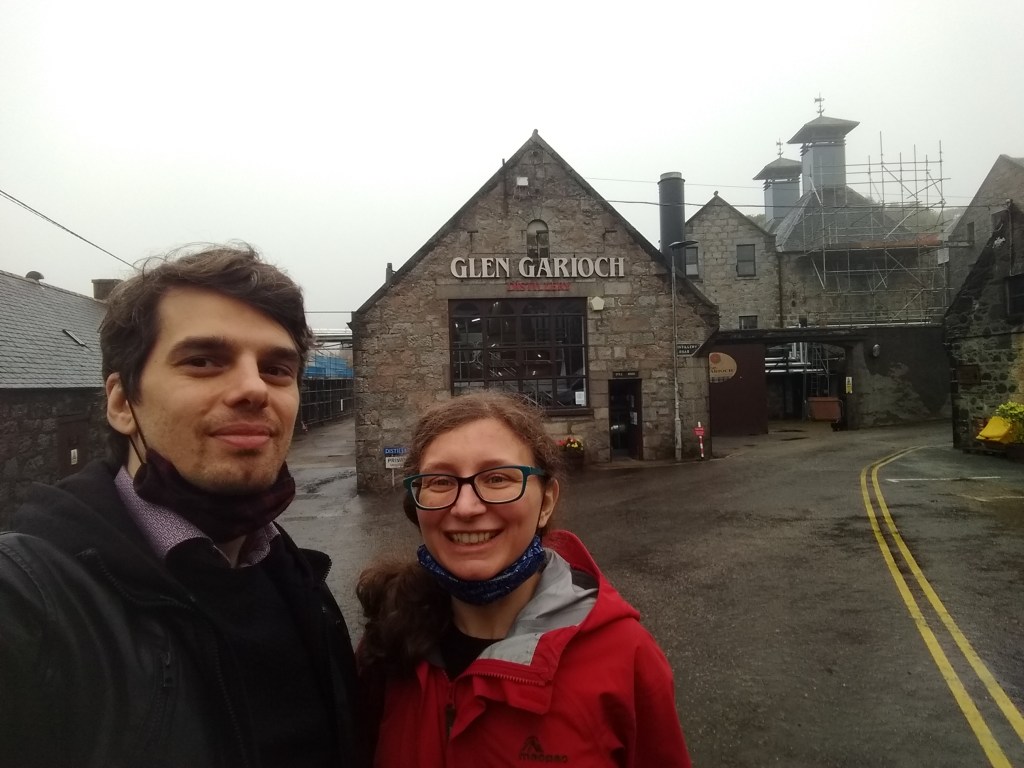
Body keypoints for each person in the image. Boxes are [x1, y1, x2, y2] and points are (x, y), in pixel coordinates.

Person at [0, 244, 364, 768]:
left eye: (276, 368)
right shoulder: (29, 601)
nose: (253, 389)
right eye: (202, 361)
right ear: (122, 403)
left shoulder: (296, 577)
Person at [356, 391, 691, 767]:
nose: (465, 507)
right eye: (440, 481)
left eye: (497, 478)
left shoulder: (626, 657)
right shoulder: (386, 643)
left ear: (546, 502)